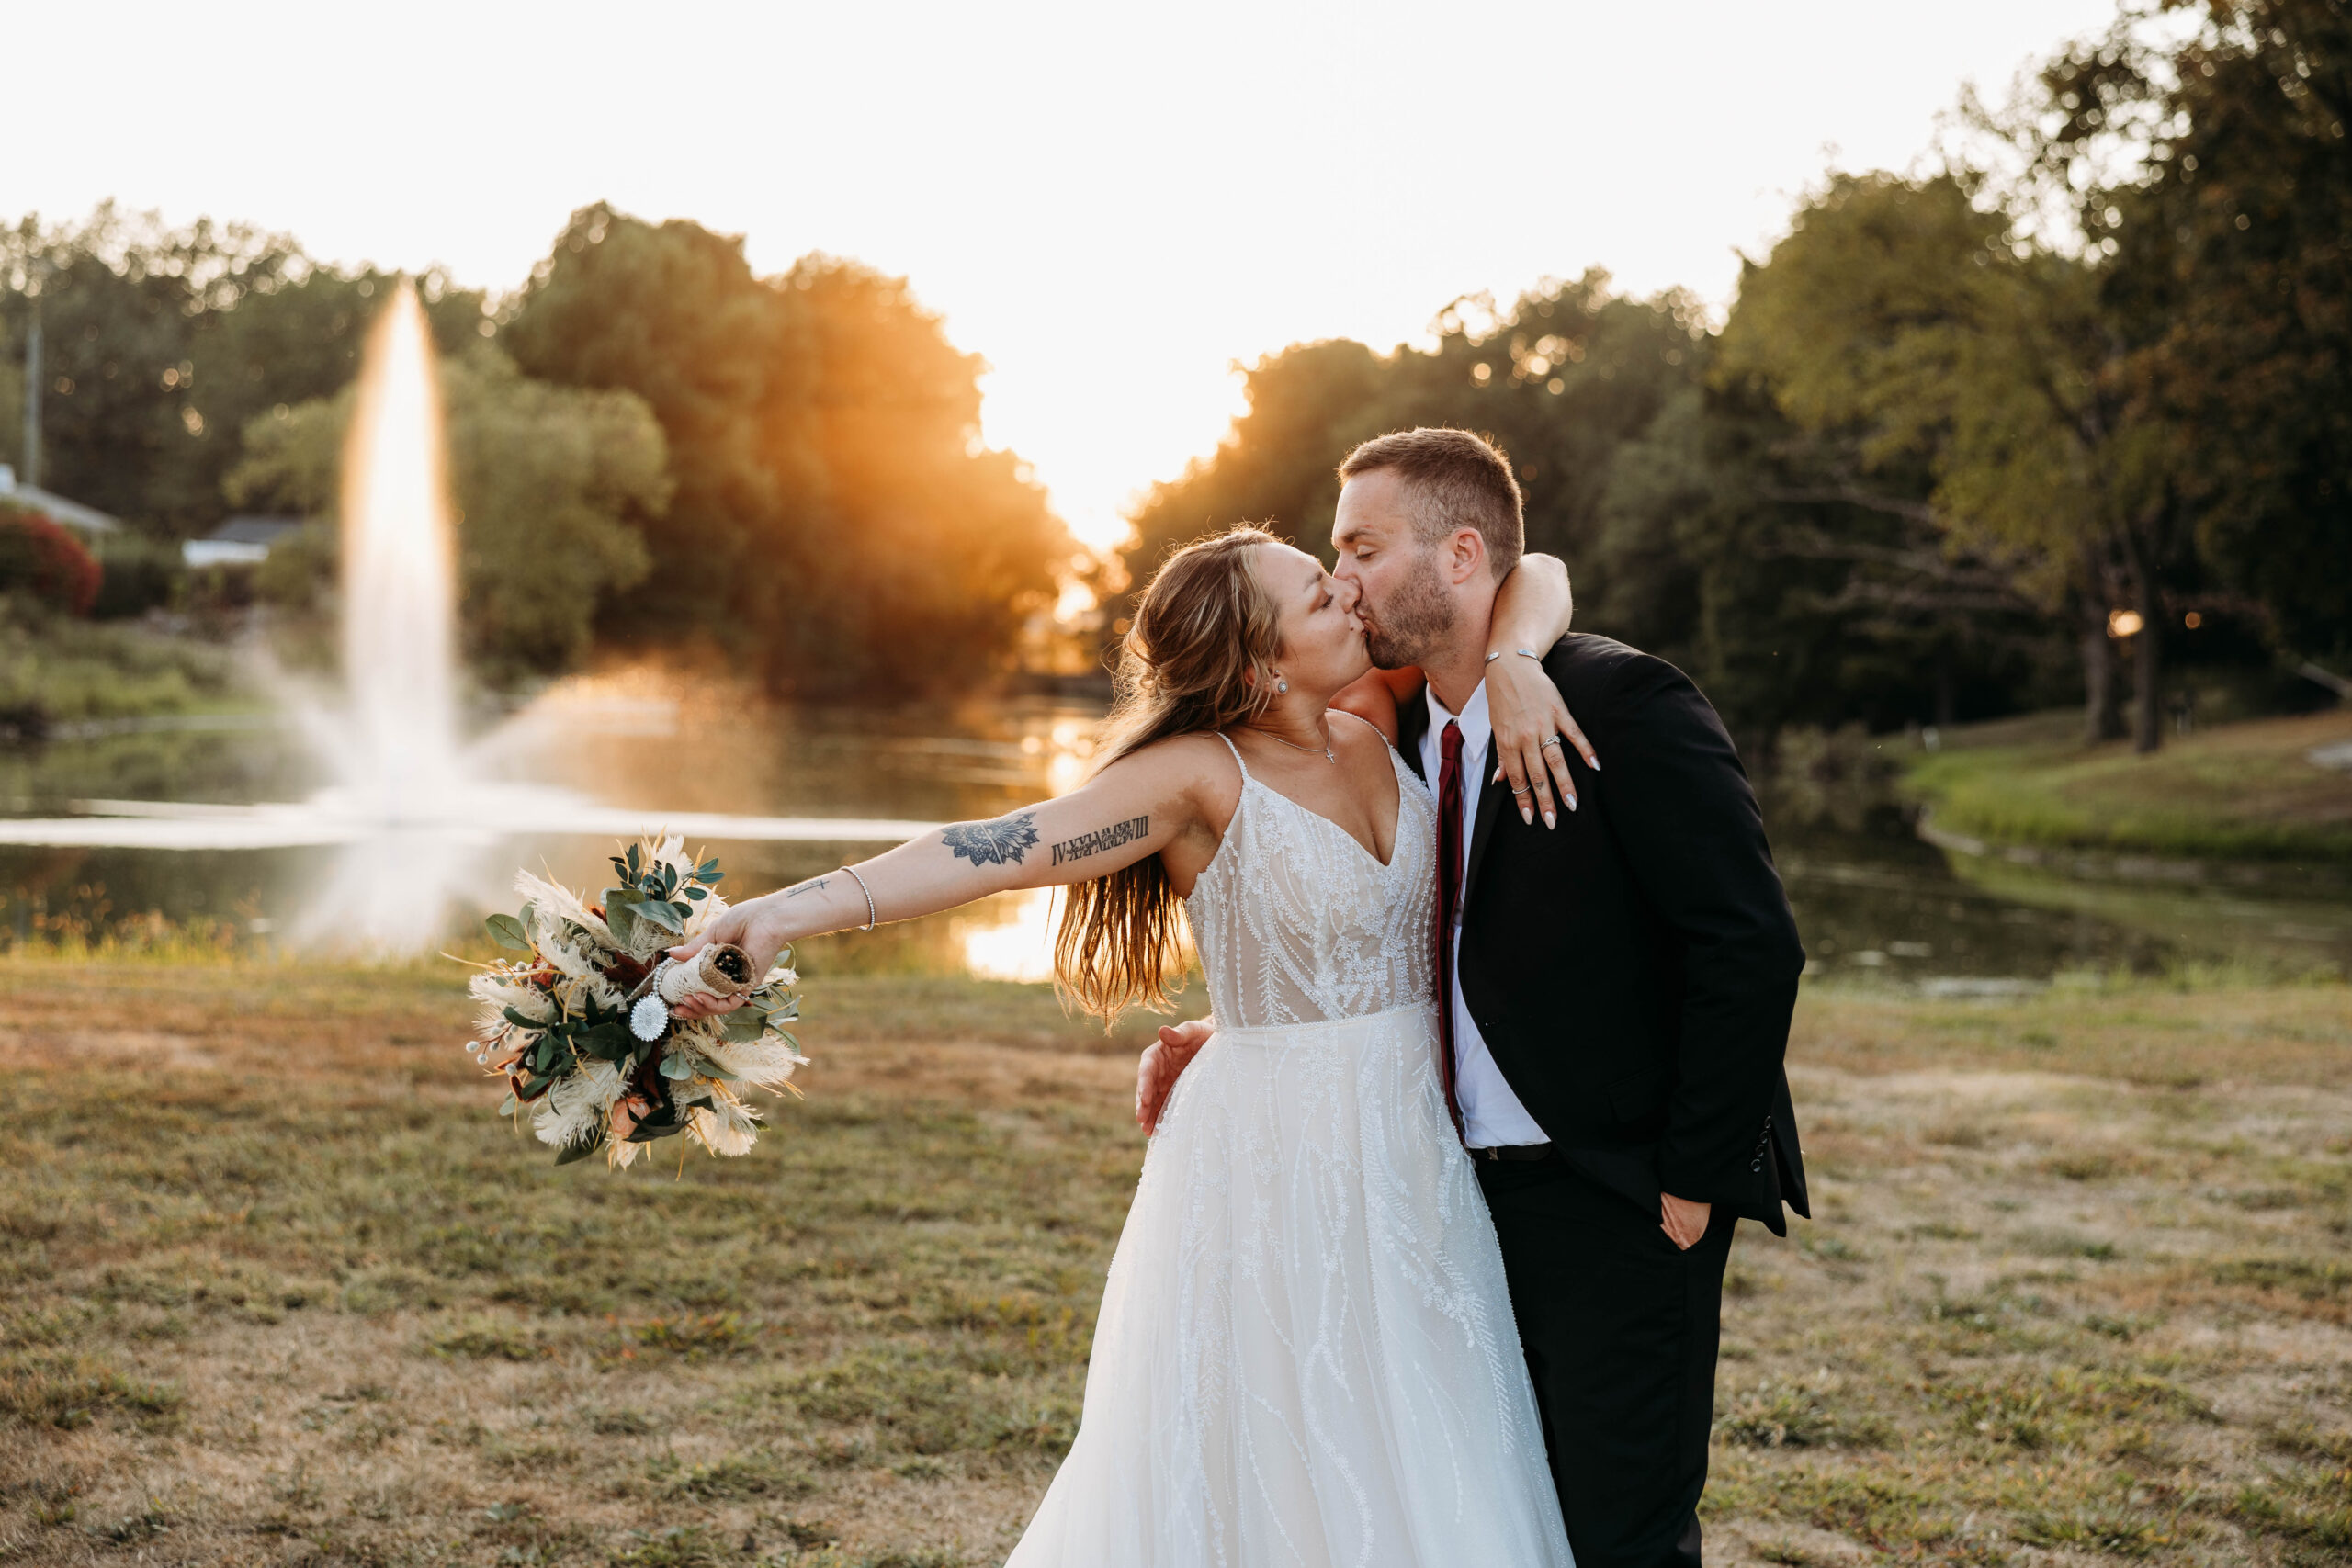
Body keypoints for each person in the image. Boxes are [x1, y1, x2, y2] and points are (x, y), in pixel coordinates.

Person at [672, 525, 1588, 1566]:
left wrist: (1513, 665)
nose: (1346, 596)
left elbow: (1538, 576)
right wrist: (791, 911)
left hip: (1414, 1150)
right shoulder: (1196, 779)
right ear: (1257, 664)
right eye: (1318, 598)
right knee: (1276, 1447)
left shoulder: (1375, 721)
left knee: (1435, 1423)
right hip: (1272, 1159)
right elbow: (996, 850)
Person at [1143, 428, 1811, 1568]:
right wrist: (1240, 1025)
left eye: (1360, 548)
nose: (1339, 577)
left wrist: (1692, 1182)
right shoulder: (1403, 721)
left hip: (1619, 1196)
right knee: (1490, 1524)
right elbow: (1440, 940)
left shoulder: (1622, 701)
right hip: (1450, 1202)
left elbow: (1748, 947)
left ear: (1459, 555)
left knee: (1617, 1536)